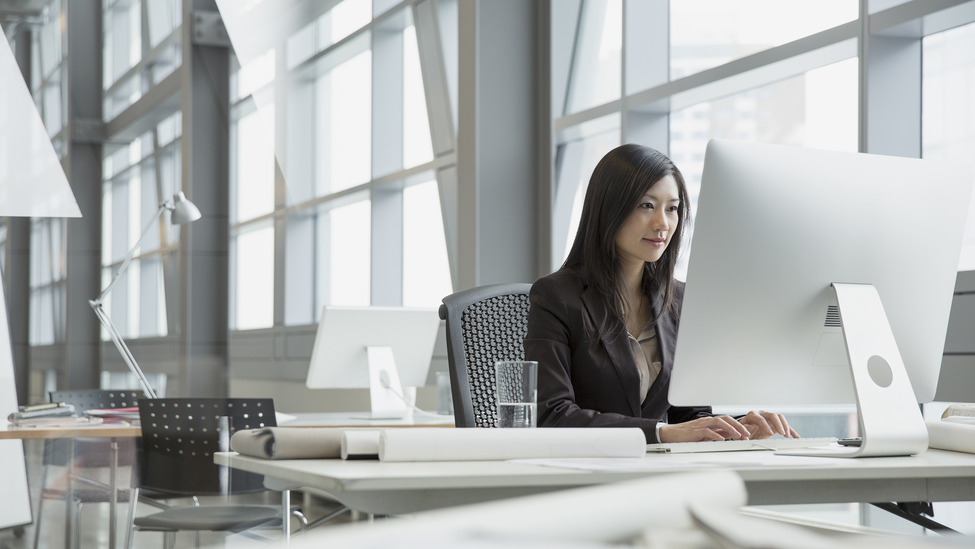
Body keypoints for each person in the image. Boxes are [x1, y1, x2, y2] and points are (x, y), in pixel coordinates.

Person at [524, 143, 799, 444]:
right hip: (585, 473)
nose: (662, 224)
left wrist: (735, 428)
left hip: (659, 475)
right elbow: (552, 414)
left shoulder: (680, 301)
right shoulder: (556, 296)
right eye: (646, 205)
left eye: (672, 208)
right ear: (609, 208)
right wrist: (659, 432)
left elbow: (689, 418)